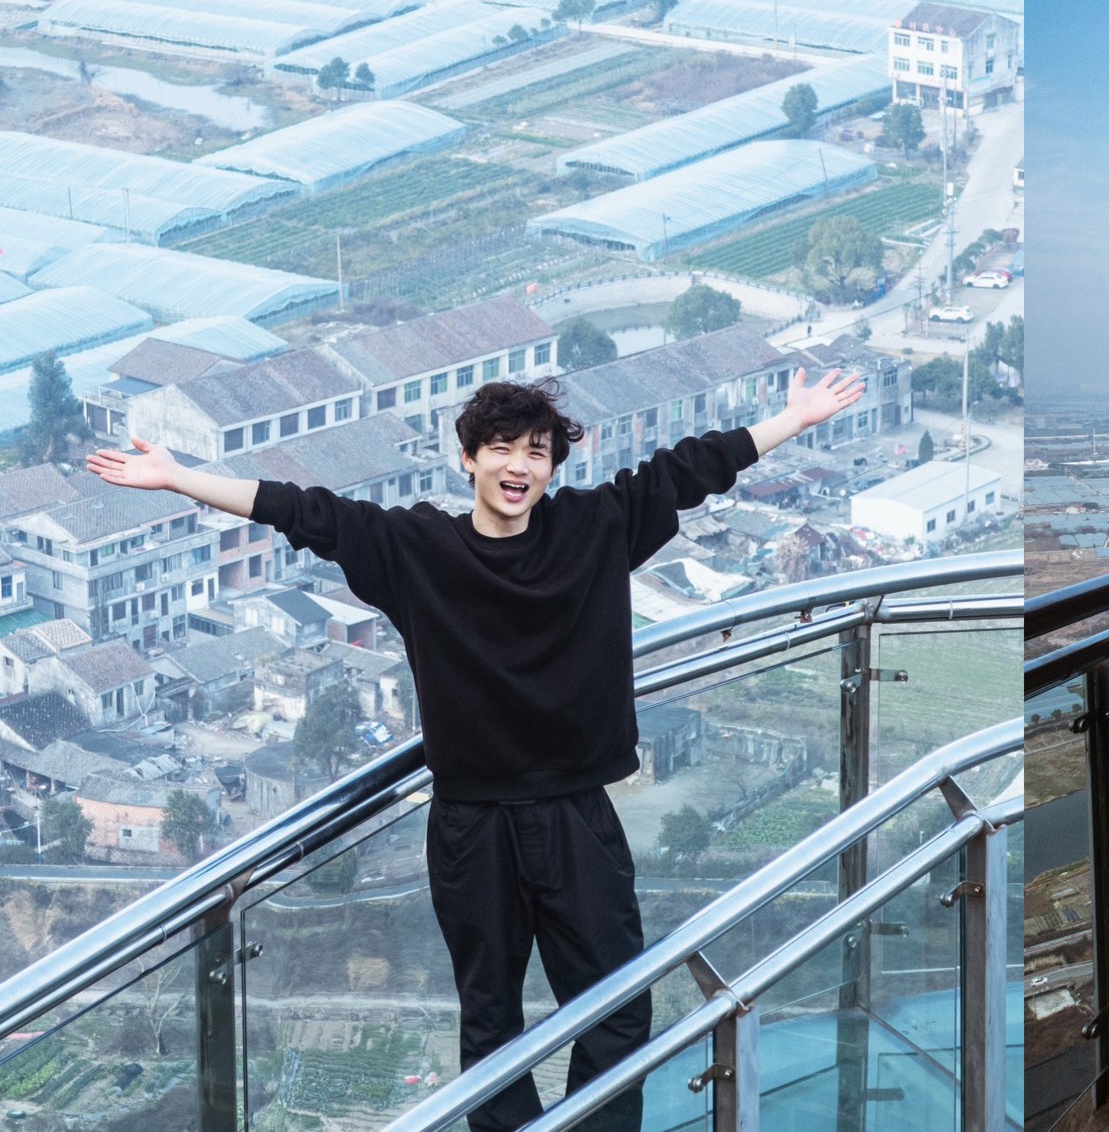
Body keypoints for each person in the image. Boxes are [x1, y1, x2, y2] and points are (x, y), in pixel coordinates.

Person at [87, 362, 863, 1132]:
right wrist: (178, 478)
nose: (518, 465)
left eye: (536, 451)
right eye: (501, 447)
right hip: (471, 827)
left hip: (575, 816)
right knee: (491, 1027)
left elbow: (689, 470)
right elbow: (301, 511)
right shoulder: (415, 549)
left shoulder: (592, 529)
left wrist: (793, 420)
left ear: (553, 468)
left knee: (620, 1012)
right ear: (468, 458)